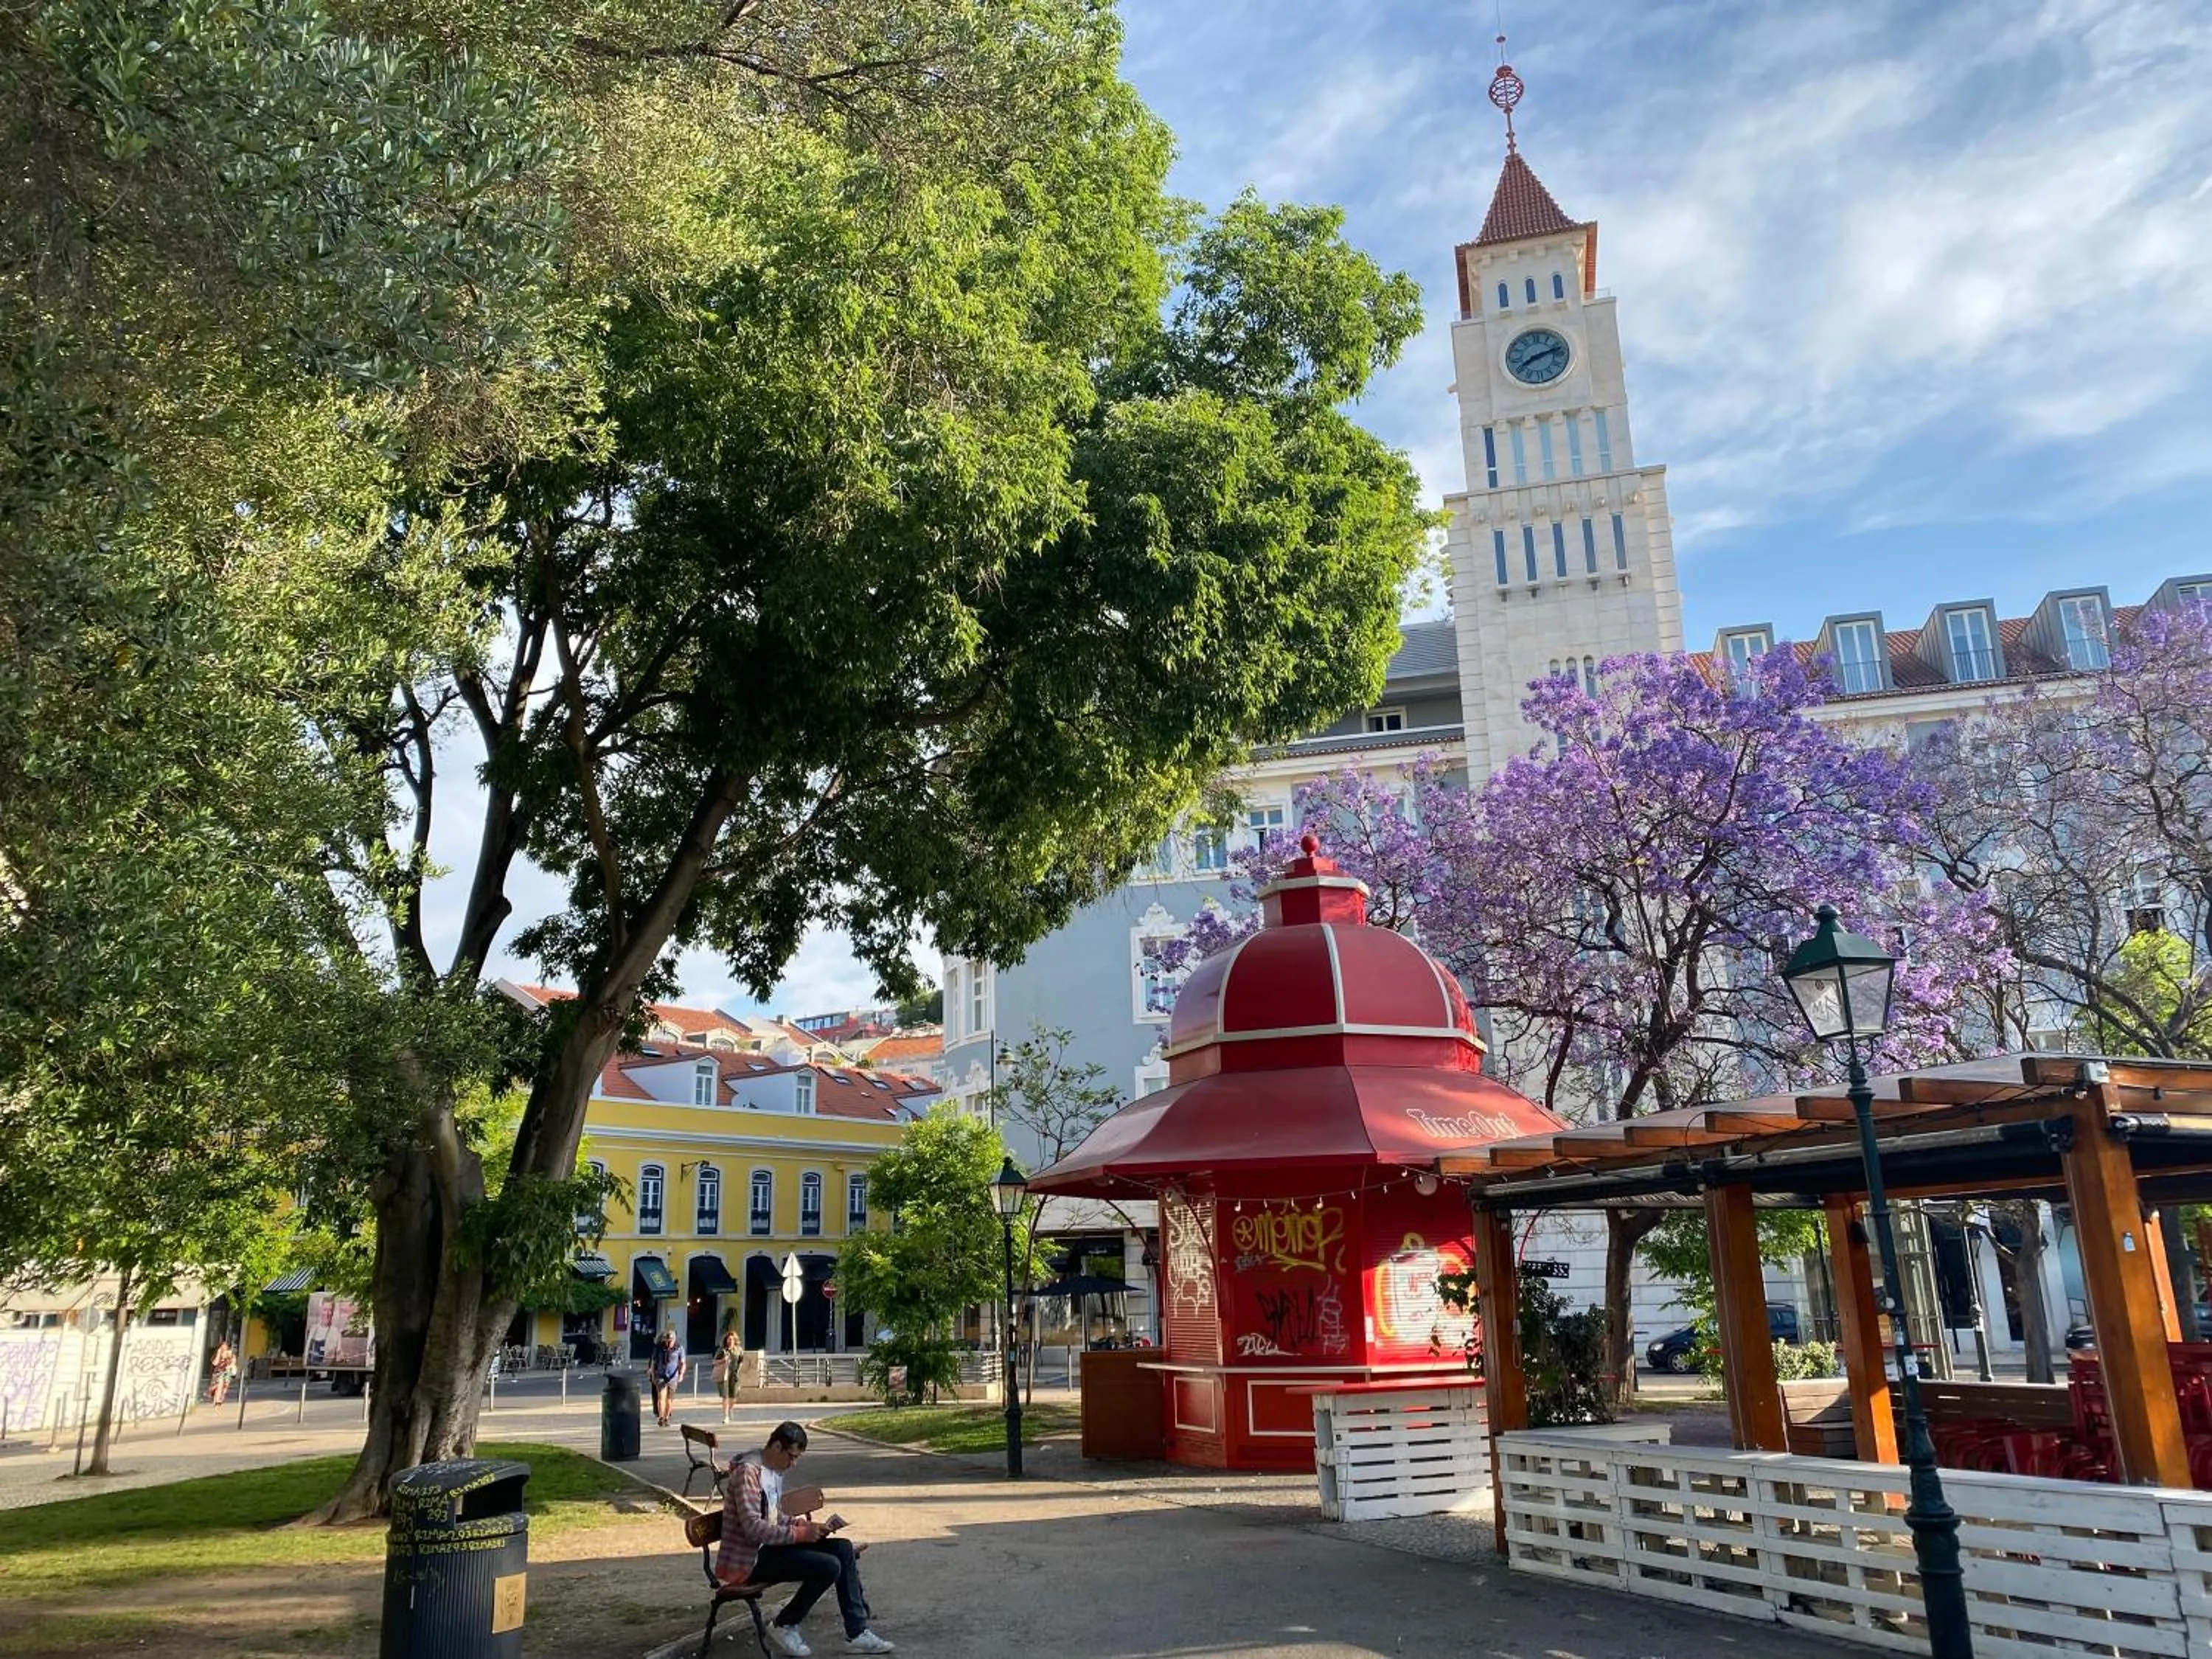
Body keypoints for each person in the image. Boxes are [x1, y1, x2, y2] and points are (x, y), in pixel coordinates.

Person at [717, 1420, 892, 1655]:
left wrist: (806, 1526)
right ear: (777, 1447)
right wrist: (801, 1534)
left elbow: (774, 1516)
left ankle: (857, 1632)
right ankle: (785, 1624)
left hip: (771, 1548)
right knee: (828, 1566)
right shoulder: (747, 1472)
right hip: (750, 1560)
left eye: (797, 1458)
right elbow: (753, 1528)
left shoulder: (772, 1470)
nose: (793, 1464)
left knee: (843, 1549)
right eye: (791, 1457)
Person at [650, 1328, 684, 1427]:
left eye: (671, 1341)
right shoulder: (659, 1348)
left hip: (673, 1377)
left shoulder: (679, 1348)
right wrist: (653, 1374)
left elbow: (682, 1362)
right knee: (661, 1397)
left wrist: (681, 1374)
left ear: (674, 1340)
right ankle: (661, 1418)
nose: (668, 1343)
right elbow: (654, 1362)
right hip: (660, 1375)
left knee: (670, 1399)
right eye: (667, 1341)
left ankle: (667, 1417)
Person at [714, 1327, 744, 1423]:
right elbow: (714, 1362)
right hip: (724, 1376)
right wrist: (723, 1360)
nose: (730, 1341)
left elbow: (741, 1361)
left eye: (732, 1339)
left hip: (734, 1376)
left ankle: (730, 1409)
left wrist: (738, 1370)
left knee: (733, 1397)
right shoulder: (722, 1350)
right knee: (725, 1396)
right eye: (728, 1339)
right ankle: (726, 1416)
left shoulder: (739, 1350)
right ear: (726, 1340)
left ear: (735, 1340)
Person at [207, 1339, 237, 1407]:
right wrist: (219, 1354)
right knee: (218, 1386)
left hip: (227, 1372)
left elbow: (233, 1362)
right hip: (218, 1372)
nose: (224, 1348)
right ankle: (217, 1400)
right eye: (222, 1346)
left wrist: (230, 1365)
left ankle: (220, 1400)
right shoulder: (218, 1353)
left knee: (225, 1387)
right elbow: (215, 1363)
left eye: (225, 1346)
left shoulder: (231, 1354)